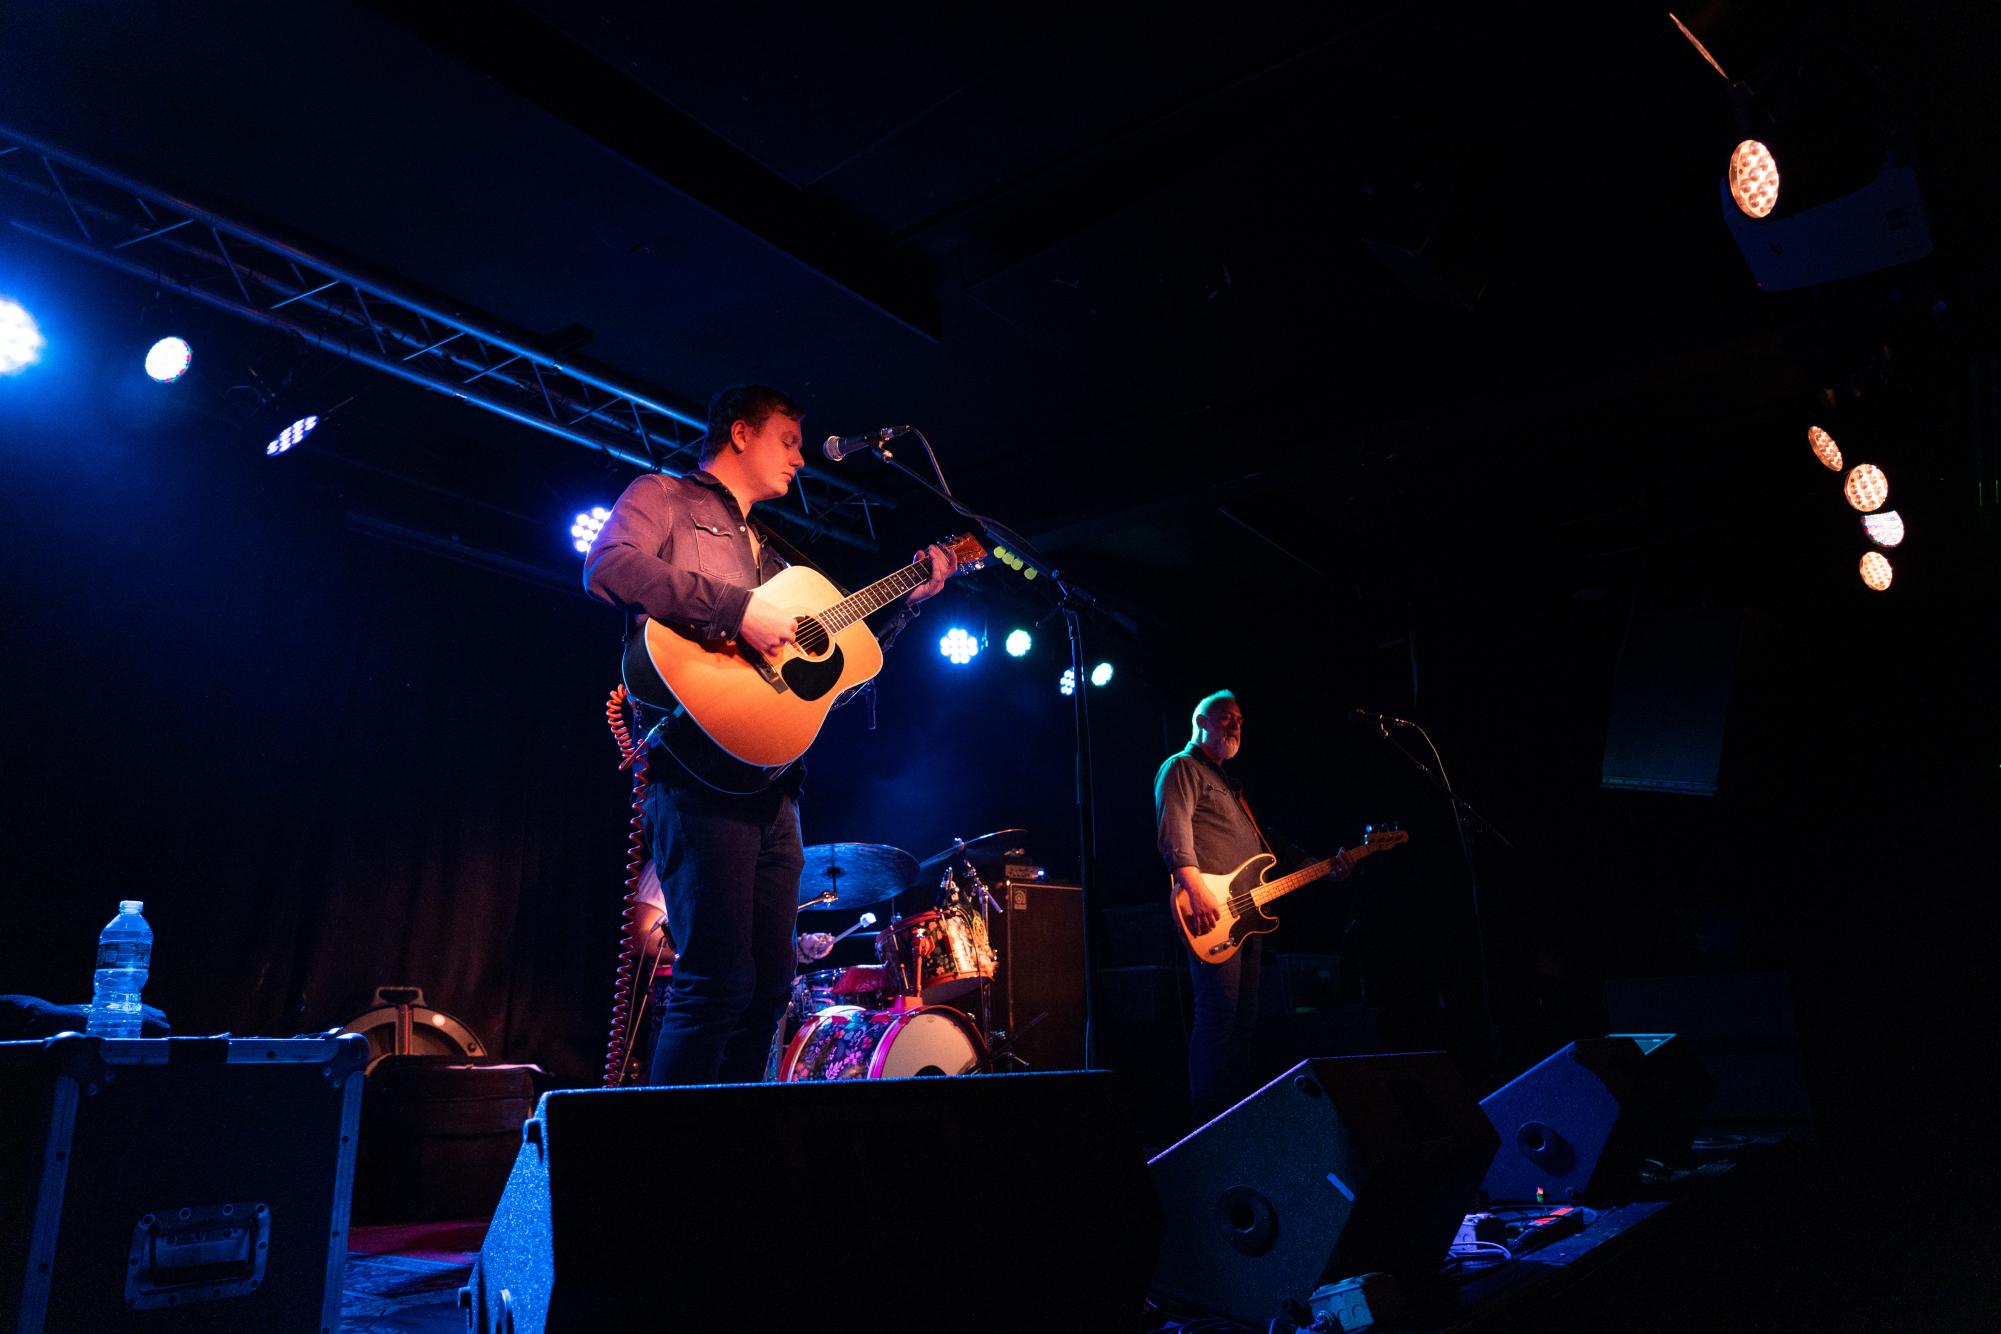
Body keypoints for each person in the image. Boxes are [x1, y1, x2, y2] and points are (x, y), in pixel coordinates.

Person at [585, 383, 953, 1084]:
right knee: (714, 982)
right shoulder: (665, 497)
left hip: (775, 790)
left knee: (767, 992)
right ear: (740, 433)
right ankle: (663, 1174)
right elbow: (607, 569)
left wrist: (907, 605)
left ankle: (739, 1158)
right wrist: (734, 611)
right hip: (697, 778)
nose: (799, 459)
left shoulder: (775, 557)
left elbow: (816, 695)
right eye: (788, 440)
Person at [1155, 690, 1349, 1123]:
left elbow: (1266, 844)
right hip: (1209, 906)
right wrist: (1194, 887)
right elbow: (1174, 830)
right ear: (1201, 720)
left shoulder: (1230, 785)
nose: (1236, 725)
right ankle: (1205, 1122)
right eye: (1227, 718)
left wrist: (1311, 864)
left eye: (1240, 719)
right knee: (1218, 1016)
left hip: (1245, 914)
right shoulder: (1182, 768)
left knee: (1244, 1020)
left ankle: (1234, 1117)